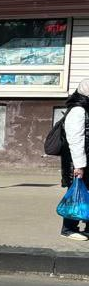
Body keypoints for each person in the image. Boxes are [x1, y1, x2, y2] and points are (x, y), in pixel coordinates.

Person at [59, 79, 89, 240]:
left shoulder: (86, 109)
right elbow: (75, 139)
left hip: (85, 161)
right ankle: (69, 229)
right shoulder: (78, 111)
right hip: (78, 163)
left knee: (86, 194)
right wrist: (79, 166)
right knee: (76, 194)